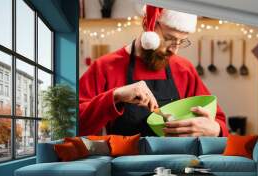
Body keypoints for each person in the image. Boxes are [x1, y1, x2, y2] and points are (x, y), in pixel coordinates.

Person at [79, 5, 228, 137]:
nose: (174, 50)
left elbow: (218, 120)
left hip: (177, 163)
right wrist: (115, 96)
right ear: (148, 24)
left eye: (181, 42)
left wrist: (215, 129)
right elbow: (71, 123)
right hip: (126, 166)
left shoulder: (184, 69)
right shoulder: (104, 67)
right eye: (169, 38)